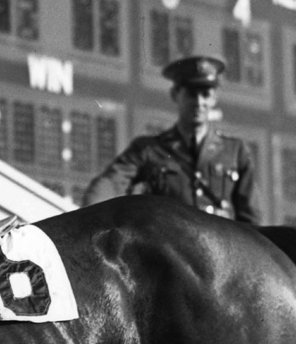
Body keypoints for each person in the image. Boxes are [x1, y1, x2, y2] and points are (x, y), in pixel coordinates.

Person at [82, 55, 262, 224]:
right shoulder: (149, 150)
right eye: (191, 94)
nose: (199, 102)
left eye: (205, 94)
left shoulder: (235, 152)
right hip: (171, 252)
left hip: (221, 251)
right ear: (175, 94)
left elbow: (251, 220)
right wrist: (87, 219)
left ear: (214, 98)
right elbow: (111, 183)